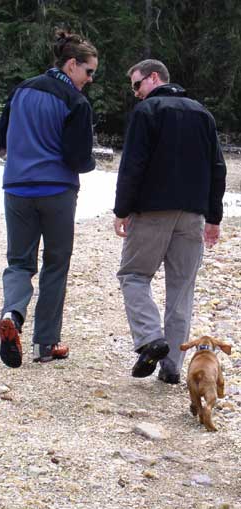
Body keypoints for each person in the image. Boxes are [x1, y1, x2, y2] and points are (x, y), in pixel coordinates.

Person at [114, 59, 226, 384]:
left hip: (150, 211)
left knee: (134, 275)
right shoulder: (202, 113)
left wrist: (122, 209)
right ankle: (173, 366)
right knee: (181, 288)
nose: (136, 94)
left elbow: (132, 165)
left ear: (153, 78)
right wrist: (213, 217)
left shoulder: (148, 112)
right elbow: (218, 168)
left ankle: (151, 338)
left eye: (137, 85)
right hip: (192, 214)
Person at [0, 29, 98, 367]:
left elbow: (3, 139)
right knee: (55, 264)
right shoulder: (76, 102)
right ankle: (46, 344)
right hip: (56, 190)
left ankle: (12, 313)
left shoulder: (21, 89)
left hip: (16, 188)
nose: (90, 79)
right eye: (89, 71)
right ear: (72, 65)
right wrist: (90, 161)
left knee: (19, 263)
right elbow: (78, 158)